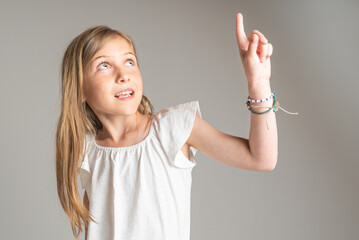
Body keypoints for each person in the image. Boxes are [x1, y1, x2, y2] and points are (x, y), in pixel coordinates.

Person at [56, 12, 286, 240]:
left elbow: (261, 159)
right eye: (104, 65)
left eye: (129, 62)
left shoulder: (172, 128)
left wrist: (258, 83)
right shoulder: (87, 151)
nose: (123, 74)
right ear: (80, 89)